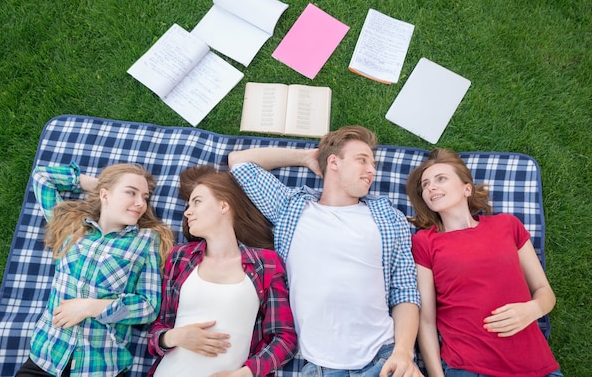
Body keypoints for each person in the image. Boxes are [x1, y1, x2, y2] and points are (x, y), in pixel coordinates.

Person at [228, 126, 422, 377]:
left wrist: (404, 353)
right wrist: (305, 157)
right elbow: (238, 162)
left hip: (384, 359)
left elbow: (405, 290)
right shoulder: (291, 208)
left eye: (373, 164)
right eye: (362, 160)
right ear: (334, 162)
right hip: (320, 367)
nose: (372, 170)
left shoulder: (390, 217)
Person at [406, 148, 562, 377]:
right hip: (470, 367)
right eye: (425, 184)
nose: (431, 187)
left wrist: (532, 309)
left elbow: (544, 291)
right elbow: (426, 321)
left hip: (537, 366)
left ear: (466, 188)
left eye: (441, 179)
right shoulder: (425, 242)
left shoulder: (507, 225)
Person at [15, 162, 175, 377]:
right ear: (104, 195)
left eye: (145, 197)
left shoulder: (146, 241)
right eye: (131, 192)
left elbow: (148, 307)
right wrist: (99, 184)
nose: (140, 203)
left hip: (100, 367)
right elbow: (42, 177)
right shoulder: (70, 225)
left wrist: (91, 307)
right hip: (46, 358)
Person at [147, 165, 297, 377]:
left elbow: (285, 338)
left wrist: (243, 374)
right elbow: (156, 331)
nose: (187, 211)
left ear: (224, 205)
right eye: (188, 205)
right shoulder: (180, 257)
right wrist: (174, 337)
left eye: (197, 201)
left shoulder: (265, 264)